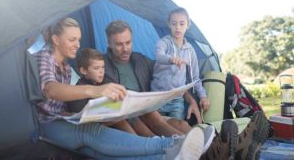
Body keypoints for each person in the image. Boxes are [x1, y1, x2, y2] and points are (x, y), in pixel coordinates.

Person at [35, 17, 210, 159]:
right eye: (72, 40)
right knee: (92, 131)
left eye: (78, 40)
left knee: (99, 153)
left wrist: (190, 98)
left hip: (69, 120)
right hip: (54, 124)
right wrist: (95, 90)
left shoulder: (66, 66)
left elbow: (166, 78)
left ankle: (185, 152)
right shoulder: (47, 58)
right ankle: (172, 145)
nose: (77, 44)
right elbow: (50, 89)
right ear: (56, 40)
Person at [103, 19, 270, 159]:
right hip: (127, 118)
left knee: (181, 124)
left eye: (128, 42)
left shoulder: (140, 60)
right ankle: (209, 152)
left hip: (149, 111)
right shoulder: (99, 68)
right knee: (148, 124)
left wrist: (190, 100)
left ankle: (221, 146)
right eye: (118, 44)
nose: (125, 48)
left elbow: (169, 81)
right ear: (109, 43)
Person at [151, 7, 209, 122]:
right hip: (158, 97)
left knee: (177, 126)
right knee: (159, 126)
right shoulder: (164, 42)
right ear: (169, 24)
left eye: (182, 24)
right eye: (174, 23)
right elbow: (158, 55)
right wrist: (171, 59)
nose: (178, 27)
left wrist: (203, 96)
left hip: (177, 99)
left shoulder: (190, 50)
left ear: (188, 25)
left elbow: (195, 78)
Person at [67, 48, 136, 134]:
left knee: (142, 114)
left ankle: (154, 139)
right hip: (96, 127)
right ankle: (141, 143)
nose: (101, 71)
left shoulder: (106, 80)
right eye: (96, 68)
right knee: (120, 122)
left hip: (117, 116)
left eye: (103, 67)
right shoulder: (80, 90)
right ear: (83, 70)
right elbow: (82, 118)